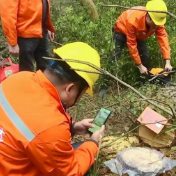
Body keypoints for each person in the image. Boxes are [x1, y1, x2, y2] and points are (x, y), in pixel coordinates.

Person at [0, 42, 105, 176]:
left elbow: (27, 126)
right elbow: (70, 172)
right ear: (70, 89)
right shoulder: (51, 126)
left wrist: (72, 128)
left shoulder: (18, 78)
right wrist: (93, 143)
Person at [99, 0, 173, 98]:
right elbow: (131, 44)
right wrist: (139, 65)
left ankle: (142, 86)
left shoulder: (157, 19)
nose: (156, 26)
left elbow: (163, 38)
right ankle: (103, 87)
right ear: (148, 17)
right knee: (114, 57)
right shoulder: (134, 20)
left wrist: (167, 61)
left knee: (145, 57)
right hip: (122, 30)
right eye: (155, 24)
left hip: (138, 34)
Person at [0, 0, 55, 72]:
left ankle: (43, 83)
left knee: (46, 68)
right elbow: (8, 15)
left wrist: (47, 25)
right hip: (24, 35)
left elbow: (42, 4)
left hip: (41, 30)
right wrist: (12, 42)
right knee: (26, 70)